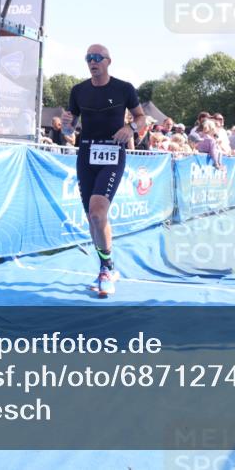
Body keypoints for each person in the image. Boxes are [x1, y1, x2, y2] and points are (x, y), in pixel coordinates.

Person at [62, 44, 144, 298]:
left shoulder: (124, 88)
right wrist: (66, 127)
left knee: (98, 213)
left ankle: (106, 269)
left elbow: (141, 118)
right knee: (93, 218)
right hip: (86, 154)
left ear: (108, 61)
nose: (92, 62)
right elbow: (69, 132)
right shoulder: (79, 91)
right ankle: (105, 266)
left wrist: (130, 129)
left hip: (112, 153)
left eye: (97, 58)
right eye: (88, 58)